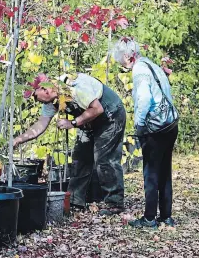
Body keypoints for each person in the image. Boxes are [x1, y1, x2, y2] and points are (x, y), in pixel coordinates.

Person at [14, 72, 126, 215]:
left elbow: (97, 109)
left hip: (110, 115)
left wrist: (73, 123)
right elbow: (41, 124)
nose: (36, 100)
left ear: (45, 89)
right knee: (80, 158)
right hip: (89, 122)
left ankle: (114, 203)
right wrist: (19, 139)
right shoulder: (51, 101)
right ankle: (74, 201)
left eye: (35, 96)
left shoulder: (73, 86)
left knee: (104, 159)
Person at [111, 37, 179, 228]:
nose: (122, 65)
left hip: (155, 128)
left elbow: (144, 99)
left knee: (150, 172)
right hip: (171, 124)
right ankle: (166, 216)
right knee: (165, 170)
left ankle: (149, 218)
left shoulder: (140, 70)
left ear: (127, 56)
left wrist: (139, 125)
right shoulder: (152, 65)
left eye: (121, 61)